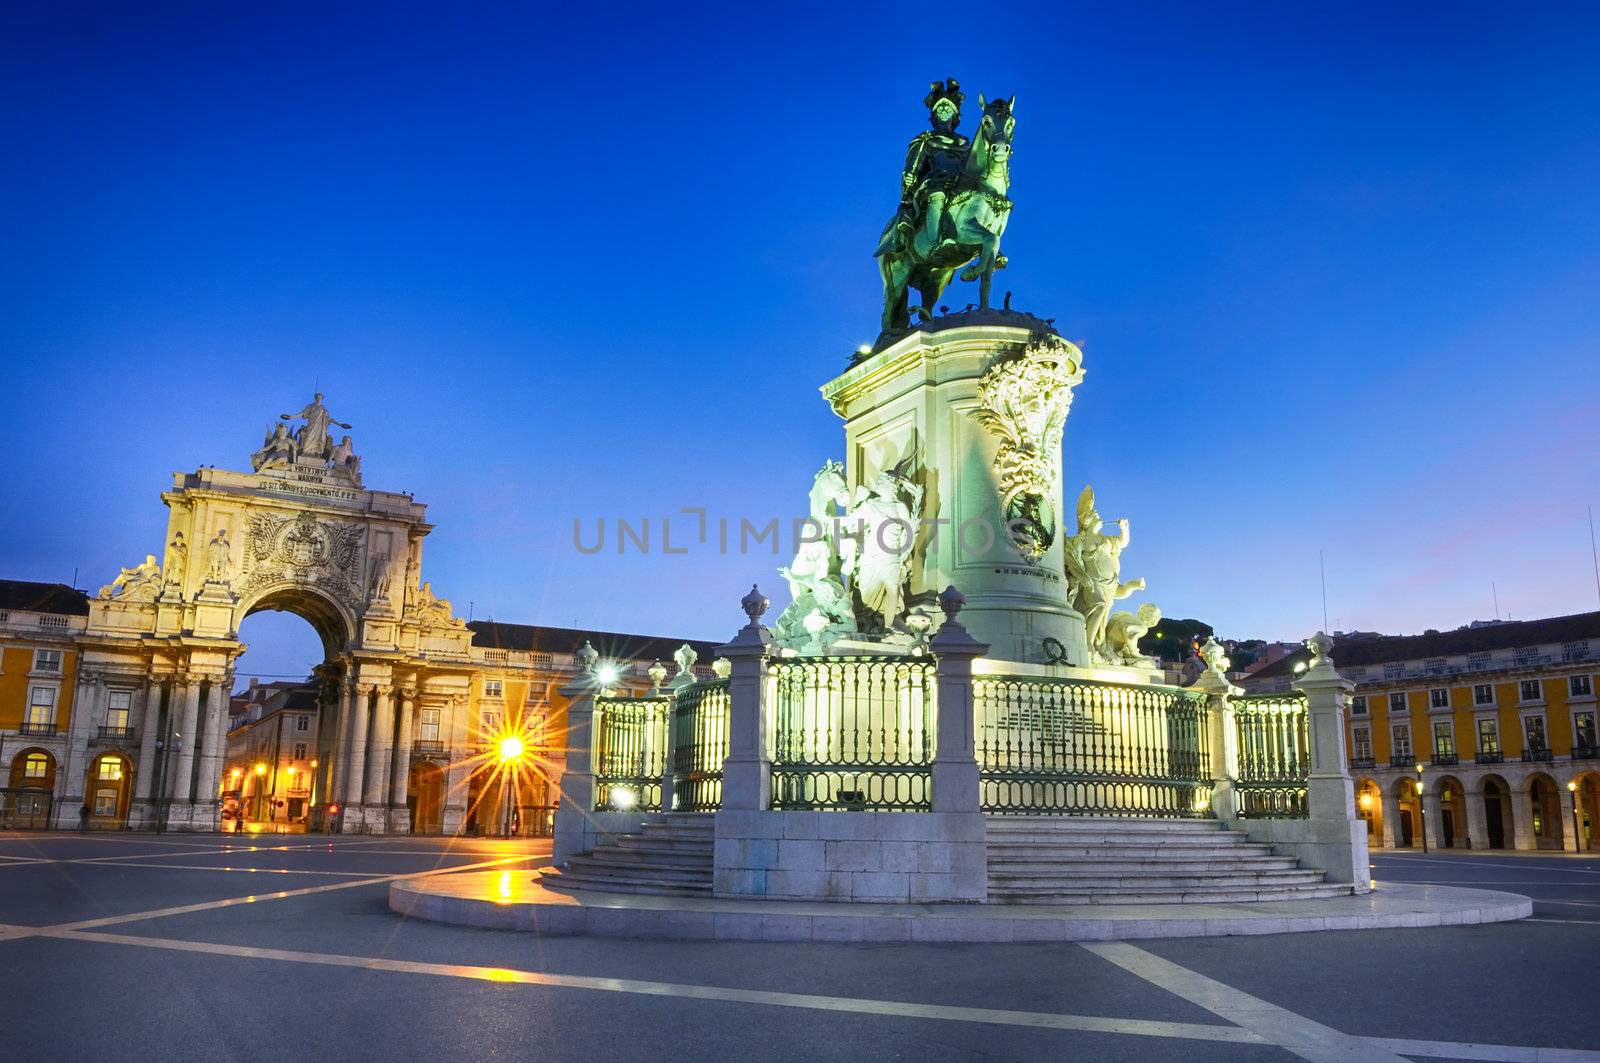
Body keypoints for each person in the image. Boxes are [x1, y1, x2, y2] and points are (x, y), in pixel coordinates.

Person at [876, 79, 970, 258]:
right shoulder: (925, 140)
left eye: (948, 108)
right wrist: (910, 179)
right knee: (938, 196)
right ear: (934, 115)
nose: (944, 111)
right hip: (934, 182)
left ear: (955, 114)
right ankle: (935, 244)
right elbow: (913, 165)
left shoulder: (965, 143)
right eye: (940, 108)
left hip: (960, 182)